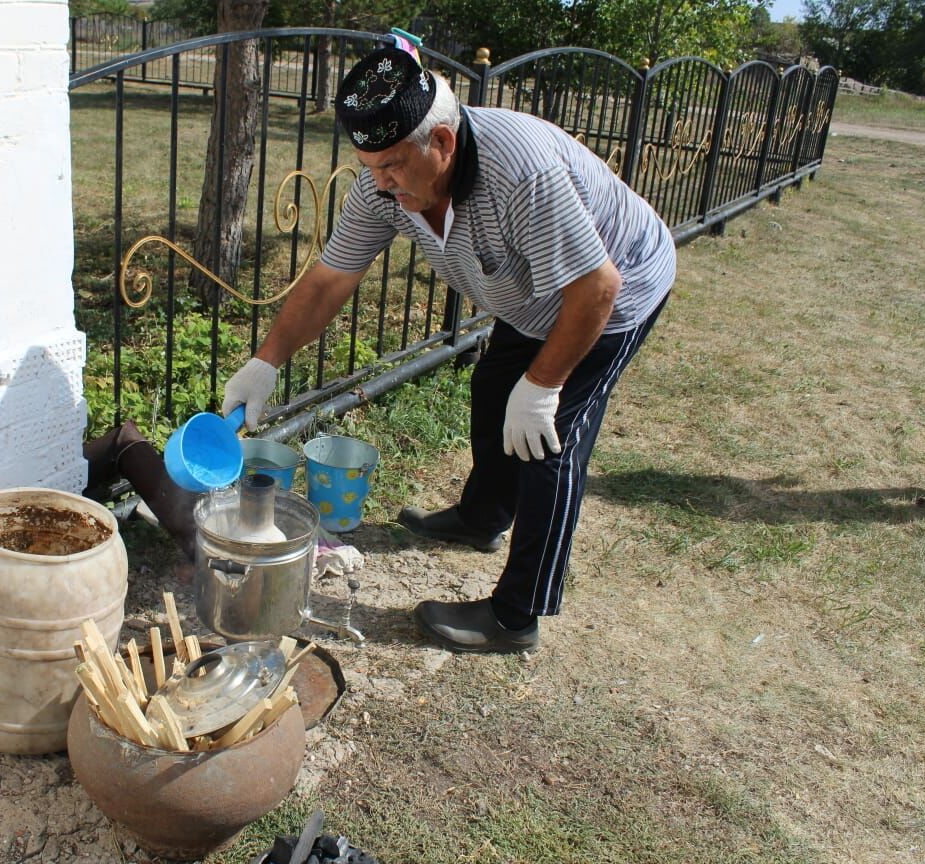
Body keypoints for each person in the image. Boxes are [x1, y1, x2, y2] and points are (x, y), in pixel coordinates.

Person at [220, 42, 675, 654]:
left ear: (443, 143)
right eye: (370, 166)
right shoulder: (385, 188)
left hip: (609, 291)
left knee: (550, 442)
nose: (381, 183)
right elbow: (331, 279)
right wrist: (265, 360)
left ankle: (516, 617)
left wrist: (542, 389)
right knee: (492, 389)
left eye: (393, 166)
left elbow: (595, 288)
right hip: (530, 291)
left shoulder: (522, 175)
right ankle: (484, 517)